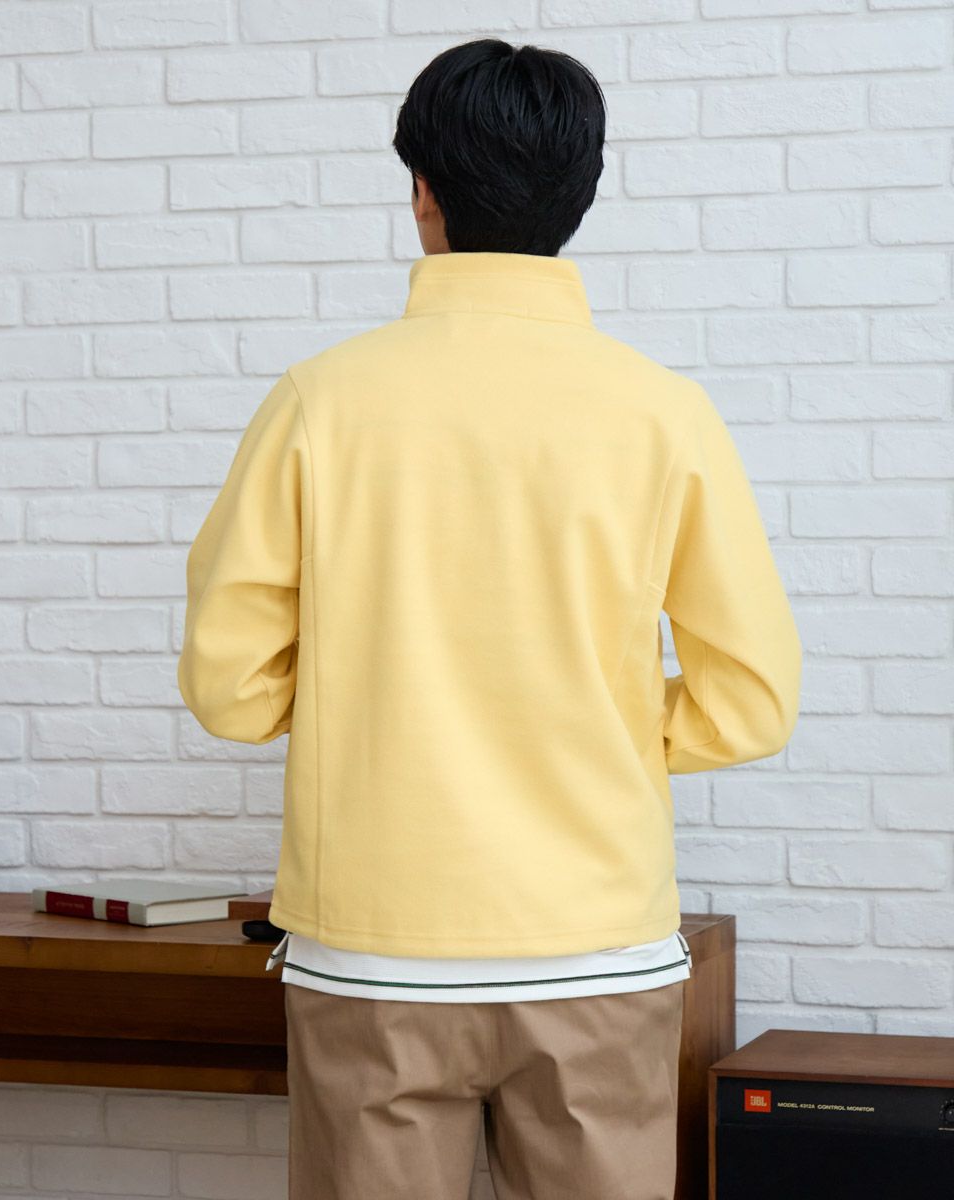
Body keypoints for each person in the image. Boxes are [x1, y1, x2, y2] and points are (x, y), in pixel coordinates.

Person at [177, 37, 802, 1200]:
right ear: (581, 194)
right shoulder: (663, 414)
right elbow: (752, 702)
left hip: (375, 951)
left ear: (423, 191)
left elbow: (230, 688)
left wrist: (373, 707)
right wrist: (600, 727)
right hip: (595, 946)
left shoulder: (320, 401)